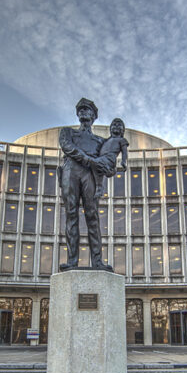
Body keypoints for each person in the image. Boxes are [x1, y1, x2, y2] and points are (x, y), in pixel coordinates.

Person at [57, 98, 112, 271]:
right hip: (71, 171)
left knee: (92, 217)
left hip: (90, 175)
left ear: (94, 115)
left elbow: (107, 165)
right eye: (80, 109)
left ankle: (97, 261)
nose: (83, 112)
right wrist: (89, 159)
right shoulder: (67, 132)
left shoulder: (100, 141)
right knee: (71, 215)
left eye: (87, 110)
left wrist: (108, 169)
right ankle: (72, 261)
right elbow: (68, 148)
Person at [90, 118, 128, 199]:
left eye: (119, 125)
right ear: (110, 129)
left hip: (110, 158)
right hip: (102, 158)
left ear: (123, 130)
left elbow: (124, 152)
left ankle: (99, 186)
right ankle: (100, 183)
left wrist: (124, 161)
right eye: (114, 125)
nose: (116, 126)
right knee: (95, 167)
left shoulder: (122, 140)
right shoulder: (106, 140)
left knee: (94, 163)